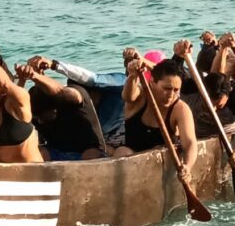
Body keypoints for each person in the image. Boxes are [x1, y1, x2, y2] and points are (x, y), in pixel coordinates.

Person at [29, 51, 165, 155]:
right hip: (102, 144)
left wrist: (54, 65)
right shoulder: (84, 106)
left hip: (124, 145)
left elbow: (94, 79)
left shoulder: (120, 84)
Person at [114, 56, 198, 183]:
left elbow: (190, 143)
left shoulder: (180, 108)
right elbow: (128, 97)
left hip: (162, 169)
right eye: (167, 89)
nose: (171, 95)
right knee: (122, 151)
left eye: (176, 90)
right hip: (133, 167)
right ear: (152, 83)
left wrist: (187, 166)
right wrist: (133, 76)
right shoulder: (140, 98)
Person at [15, 58, 106, 161]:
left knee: (91, 154)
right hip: (57, 152)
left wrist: (35, 76)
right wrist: (22, 79)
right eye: (37, 117)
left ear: (55, 109)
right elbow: (15, 105)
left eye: (43, 117)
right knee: (35, 153)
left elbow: (59, 91)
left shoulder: (74, 98)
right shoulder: (36, 111)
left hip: (87, 151)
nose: (39, 121)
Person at [182, 72, 235, 166]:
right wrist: (179, 57)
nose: (213, 110)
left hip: (225, 133)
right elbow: (170, 72)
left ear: (228, 95)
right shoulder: (191, 86)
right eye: (209, 104)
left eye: (219, 106)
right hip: (195, 133)